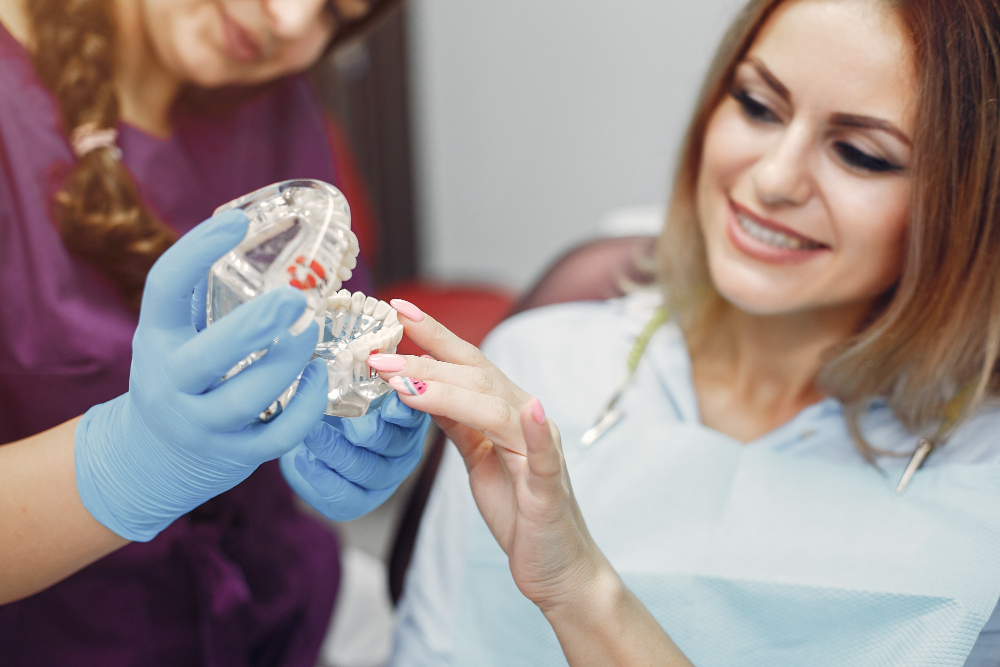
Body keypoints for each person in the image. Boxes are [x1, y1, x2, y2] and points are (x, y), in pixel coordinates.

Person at [301, 0, 1000, 664]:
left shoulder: (982, 484)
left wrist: (581, 589)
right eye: (757, 105)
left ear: (967, 201)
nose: (774, 178)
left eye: (862, 154)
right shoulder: (536, 367)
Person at [0, 0, 426, 664]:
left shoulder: (269, 96)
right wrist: (118, 467)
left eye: (337, 13)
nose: (291, 22)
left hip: (283, 620)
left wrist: (342, 416)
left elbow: (330, 329)